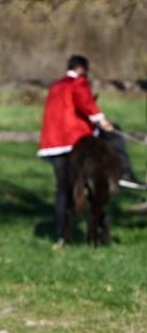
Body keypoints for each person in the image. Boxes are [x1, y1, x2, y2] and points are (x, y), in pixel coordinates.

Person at [39, 55, 146, 241]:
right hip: (75, 138)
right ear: (82, 69)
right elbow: (86, 104)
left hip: (53, 144)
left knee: (63, 190)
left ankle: (61, 235)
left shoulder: (56, 86)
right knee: (115, 134)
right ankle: (126, 174)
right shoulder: (78, 83)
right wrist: (102, 120)